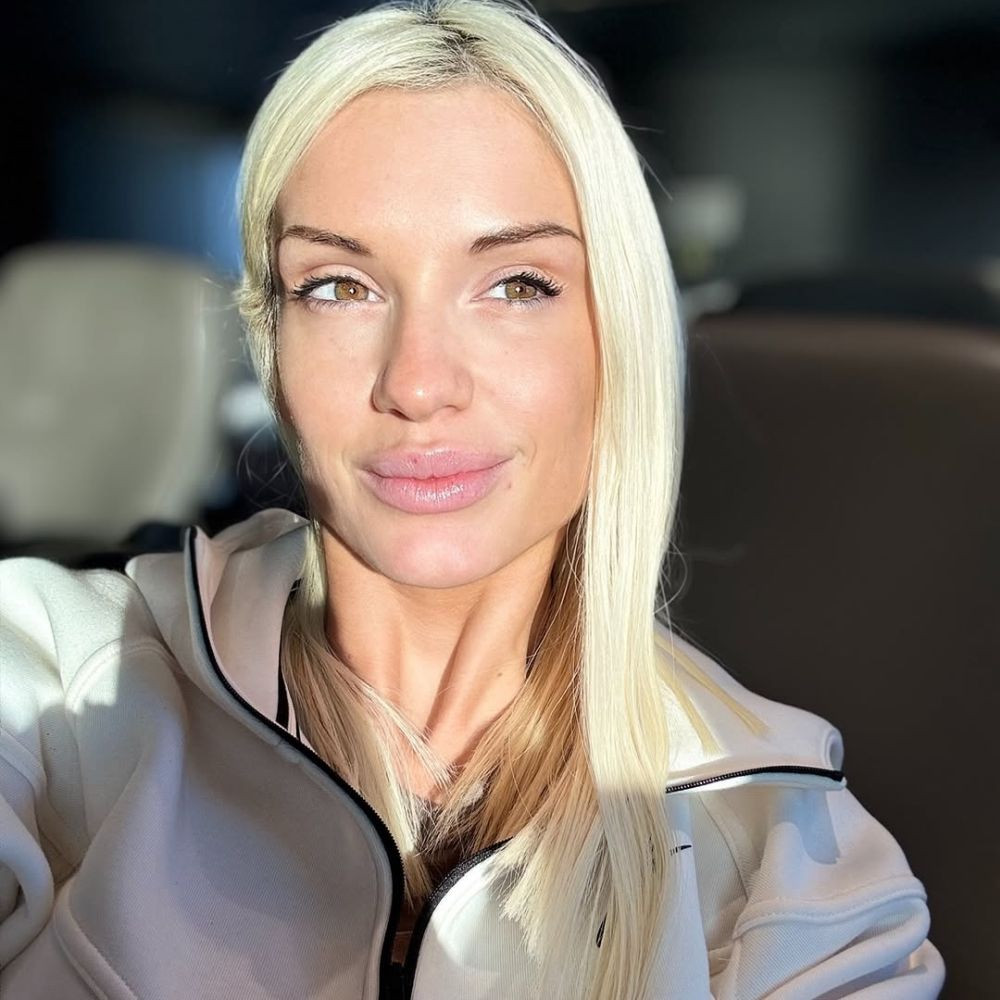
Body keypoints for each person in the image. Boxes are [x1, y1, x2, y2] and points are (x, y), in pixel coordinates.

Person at [0, 1, 945, 998]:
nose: (417, 383)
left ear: (616, 340)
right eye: (338, 286)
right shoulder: (58, 693)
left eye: (517, 285)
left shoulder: (793, 866)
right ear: (272, 344)